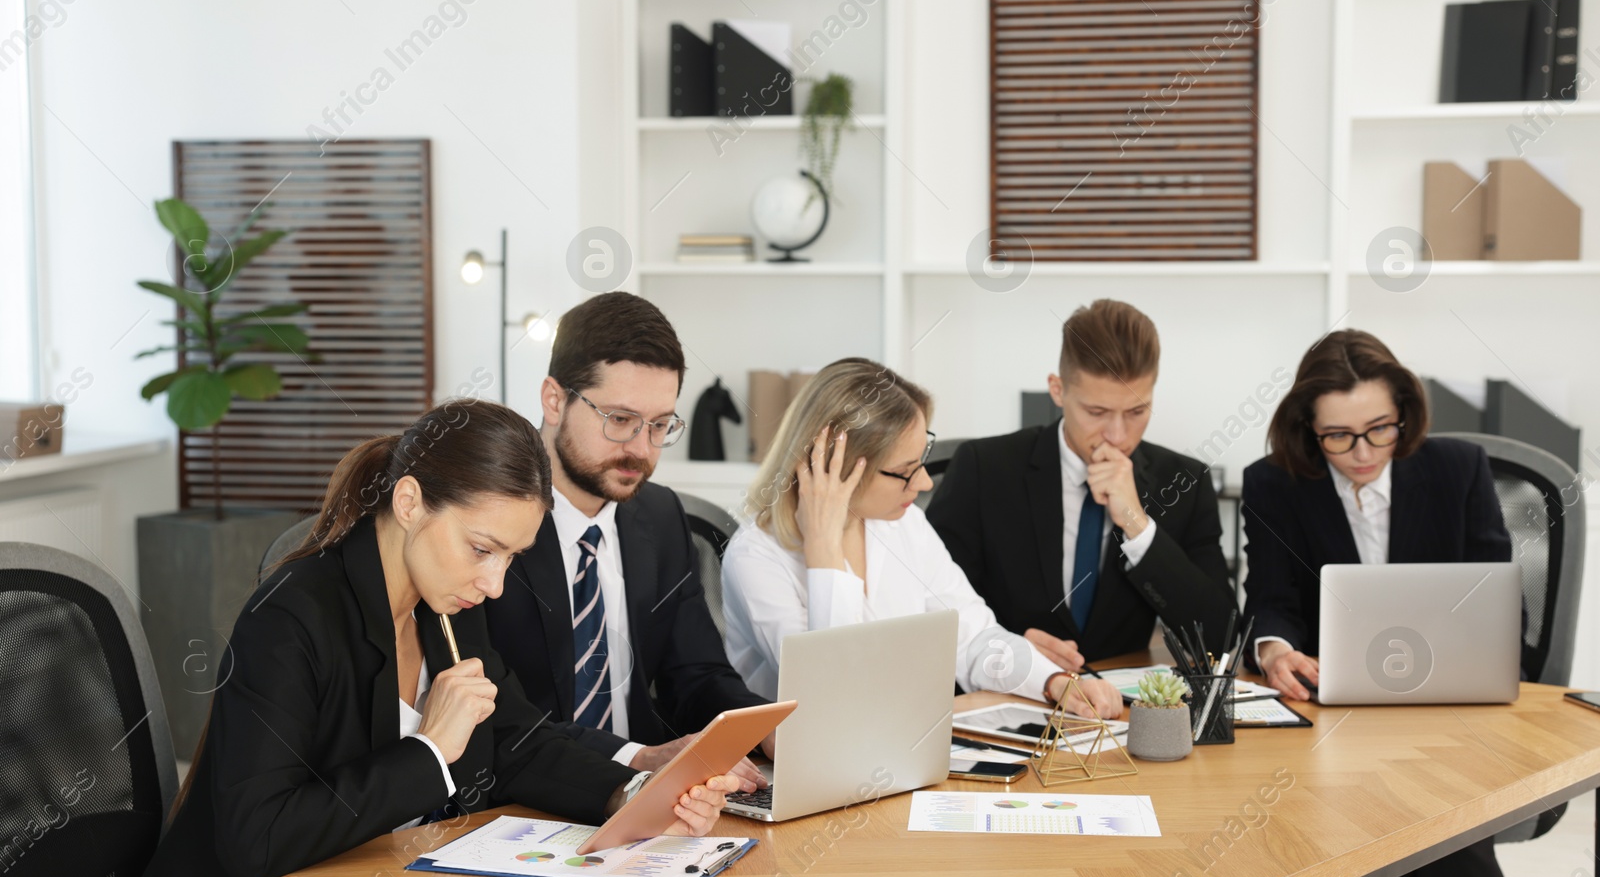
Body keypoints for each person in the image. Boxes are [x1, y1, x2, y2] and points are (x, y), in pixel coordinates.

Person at [106, 400, 738, 877]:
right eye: (483, 550)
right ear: (409, 503)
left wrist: (634, 795)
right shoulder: (292, 618)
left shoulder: (446, 604)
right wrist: (429, 751)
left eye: (511, 559)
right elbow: (257, 840)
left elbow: (514, 739)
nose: (494, 585)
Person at [1241, 329, 1525, 877]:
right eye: (1338, 436)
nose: (1361, 452)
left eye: (1378, 430)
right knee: (1271, 829)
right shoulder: (1274, 484)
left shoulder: (1458, 469)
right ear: (1310, 432)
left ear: (1404, 414)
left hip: (1443, 726)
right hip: (1323, 726)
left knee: (1446, 835)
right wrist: (1275, 649)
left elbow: (1499, 609)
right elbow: (1270, 600)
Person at [720, 357, 1124, 718]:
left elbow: (973, 637)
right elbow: (835, 700)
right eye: (904, 470)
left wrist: (1056, 683)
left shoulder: (902, 522)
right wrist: (824, 549)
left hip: (904, 751)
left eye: (923, 461)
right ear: (832, 466)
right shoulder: (755, 557)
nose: (925, 481)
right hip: (807, 777)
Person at [484, 293, 771, 784]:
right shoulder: (488, 521)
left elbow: (695, 675)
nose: (641, 449)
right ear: (554, 400)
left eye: (660, 425)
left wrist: (760, 730)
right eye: (619, 420)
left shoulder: (658, 516)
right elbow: (501, 717)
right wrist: (633, 759)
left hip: (647, 797)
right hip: (520, 799)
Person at [926, 299, 1236, 672]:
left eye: (1137, 411)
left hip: (1120, 713)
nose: (1118, 435)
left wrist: (1138, 526)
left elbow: (1220, 640)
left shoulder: (1185, 482)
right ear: (1057, 390)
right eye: (1097, 412)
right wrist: (1000, 645)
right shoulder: (983, 468)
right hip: (1007, 697)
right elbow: (930, 607)